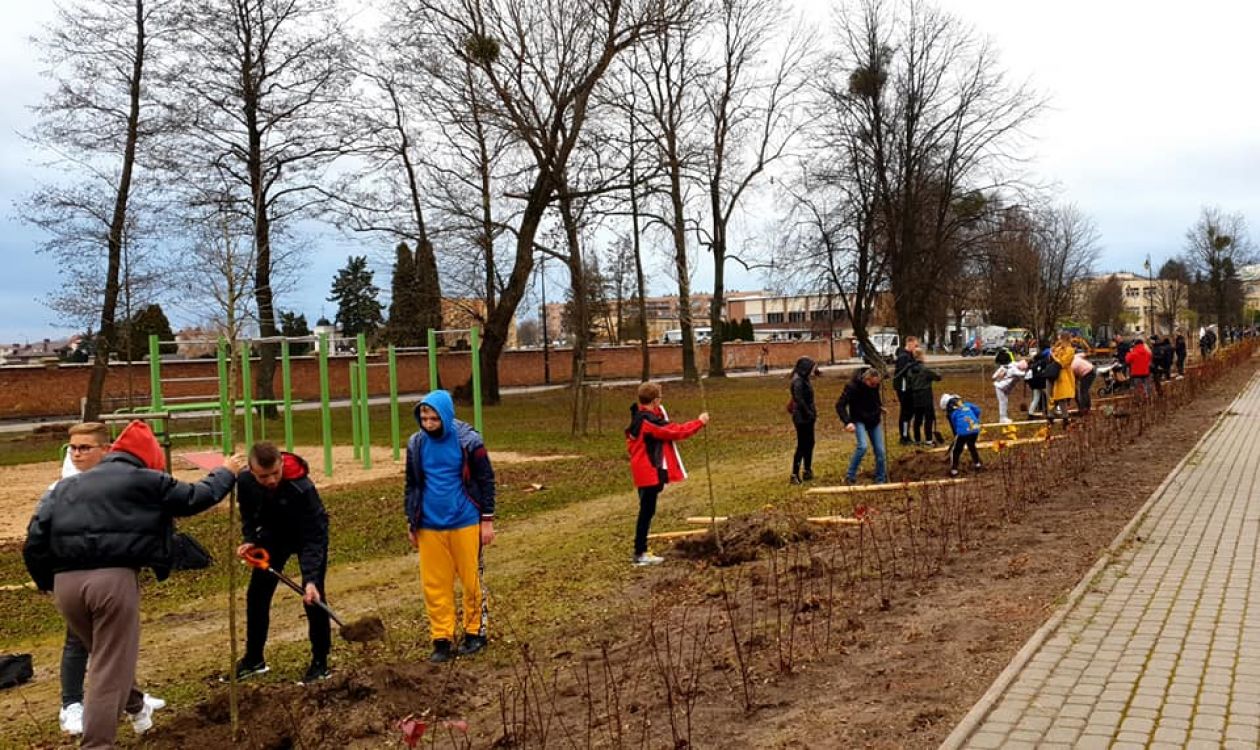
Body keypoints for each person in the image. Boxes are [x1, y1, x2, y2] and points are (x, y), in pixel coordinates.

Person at [24, 420, 244, 749]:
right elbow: (196, 497)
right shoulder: (145, 479)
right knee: (106, 671)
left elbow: (36, 537)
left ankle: (138, 707)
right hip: (111, 582)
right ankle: (97, 745)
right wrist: (226, 472)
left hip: (65, 585)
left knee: (105, 655)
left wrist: (48, 583)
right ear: (149, 458)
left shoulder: (66, 486)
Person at [38, 423, 165, 737]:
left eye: (84, 449)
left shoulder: (117, 476)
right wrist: (47, 576)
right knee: (86, 644)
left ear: (106, 450)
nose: (77, 454)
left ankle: (135, 704)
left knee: (106, 651)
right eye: (73, 449)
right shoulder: (68, 481)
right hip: (78, 569)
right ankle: (72, 704)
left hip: (104, 571)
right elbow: (42, 530)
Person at [405, 390, 498, 663]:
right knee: (434, 584)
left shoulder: (469, 441)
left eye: (434, 418)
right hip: (429, 525)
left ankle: (474, 633)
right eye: (424, 418)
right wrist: (412, 521)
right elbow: (412, 485)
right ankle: (442, 638)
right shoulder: (416, 444)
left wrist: (487, 520)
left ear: (445, 416)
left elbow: (486, 480)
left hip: (465, 521)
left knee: (471, 580)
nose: (429, 423)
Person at [233, 442, 331, 684]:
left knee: (314, 598)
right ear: (252, 471)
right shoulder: (244, 482)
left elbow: (315, 537)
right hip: (274, 537)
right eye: (263, 476)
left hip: (308, 535)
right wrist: (250, 539)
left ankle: (320, 662)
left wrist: (310, 579)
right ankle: (254, 659)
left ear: (282, 464)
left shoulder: (302, 487)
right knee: (257, 595)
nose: (271, 480)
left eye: (275, 473)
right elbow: (248, 512)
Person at [626, 382, 709, 566]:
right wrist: (699, 422)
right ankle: (640, 553)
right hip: (648, 472)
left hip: (642, 471)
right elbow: (675, 431)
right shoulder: (648, 422)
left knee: (647, 510)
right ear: (655, 400)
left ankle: (641, 551)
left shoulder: (640, 416)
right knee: (646, 512)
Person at [835, 368, 887, 485]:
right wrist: (847, 422)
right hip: (859, 420)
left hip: (874, 420)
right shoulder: (852, 387)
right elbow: (840, 405)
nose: (874, 386)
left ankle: (880, 477)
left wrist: (879, 407)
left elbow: (875, 398)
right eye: (872, 384)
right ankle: (850, 475)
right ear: (865, 379)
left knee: (880, 451)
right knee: (862, 446)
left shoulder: (875, 386)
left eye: (876, 384)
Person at [788, 357, 818, 484]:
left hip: (807, 416)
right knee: (802, 444)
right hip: (802, 417)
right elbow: (799, 400)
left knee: (810, 442)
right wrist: (809, 413)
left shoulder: (804, 379)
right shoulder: (798, 381)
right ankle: (794, 473)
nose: (813, 371)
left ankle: (807, 469)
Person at [940, 394, 982, 478]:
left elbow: (955, 426)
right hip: (975, 429)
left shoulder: (953, 414)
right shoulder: (967, 404)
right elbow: (978, 410)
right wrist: (975, 419)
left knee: (956, 451)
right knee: (971, 446)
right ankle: (978, 464)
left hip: (963, 432)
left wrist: (958, 434)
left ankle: (954, 470)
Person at [907, 349, 942, 446]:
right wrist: (938, 373)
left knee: (917, 418)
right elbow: (938, 377)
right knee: (928, 418)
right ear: (921, 356)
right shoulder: (925, 370)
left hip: (915, 396)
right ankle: (928, 439)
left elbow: (908, 383)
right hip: (926, 395)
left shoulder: (910, 370)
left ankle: (917, 439)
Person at [891, 336, 920, 445]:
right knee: (906, 412)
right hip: (904, 389)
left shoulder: (910, 356)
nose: (916, 348)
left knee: (910, 412)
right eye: (915, 345)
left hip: (909, 388)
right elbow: (902, 373)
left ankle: (906, 434)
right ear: (909, 343)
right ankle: (904, 437)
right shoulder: (903, 357)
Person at [1049, 333, 1077, 427]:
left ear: (1065, 340)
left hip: (1064, 376)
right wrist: (1053, 351)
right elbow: (1053, 357)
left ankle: (1061, 418)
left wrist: (1053, 355)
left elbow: (1063, 363)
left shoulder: (1070, 350)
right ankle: (1053, 417)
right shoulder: (1059, 348)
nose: (1059, 341)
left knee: (1061, 397)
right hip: (1055, 375)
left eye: (1060, 339)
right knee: (1056, 397)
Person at [992, 358, 1027, 424]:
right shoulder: (1014, 369)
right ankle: (1002, 418)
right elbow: (1021, 374)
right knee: (1003, 402)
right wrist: (1028, 371)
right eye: (1023, 369)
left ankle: (1004, 417)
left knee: (1005, 402)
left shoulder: (1012, 366)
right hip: (1001, 387)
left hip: (1003, 388)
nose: (1023, 370)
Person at [1071, 350, 1098, 416]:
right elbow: (1084, 354)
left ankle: (1084, 408)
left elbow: (1074, 381)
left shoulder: (1071, 367)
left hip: (1087, 373)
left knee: (1083, 391)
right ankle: (1086, 407)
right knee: (1084, 390)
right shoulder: (1075, 356)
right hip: (1092, 369)